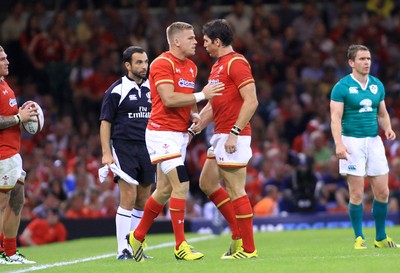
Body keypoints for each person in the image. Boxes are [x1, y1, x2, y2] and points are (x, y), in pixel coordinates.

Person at [127, 21, 224, 262]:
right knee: (182, 184)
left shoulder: (190, 66)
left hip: (180, 135)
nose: (196, 42)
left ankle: (137, 236)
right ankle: (181, 245)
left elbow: (185, 96)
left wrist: (194, 113)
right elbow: (169, 99)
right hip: (162, 133)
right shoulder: (162, 63)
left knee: (164, 190)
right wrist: (203, 96)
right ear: (177, 41)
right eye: (191, 38)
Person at [193, 19, 259, 259]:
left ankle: (248, 249)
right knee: (207, 183)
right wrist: (198, 122)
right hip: (220, 134)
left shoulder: (237, 63)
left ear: (218, 41)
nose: (204, 46)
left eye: (207, 42)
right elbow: (214, 104)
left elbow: (251, 101)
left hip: (234, 135)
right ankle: (237, 235)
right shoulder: (217, 66)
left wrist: (235, 132)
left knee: (235, 189)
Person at [330, 44, 398, 249]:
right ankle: (359, 237)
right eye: (361, 59)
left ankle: (380, 238)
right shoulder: (341, 87)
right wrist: (339, 143)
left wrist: (388, 128)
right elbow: (335, 117)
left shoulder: (377, 85)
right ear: (351, 63)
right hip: (352, 141)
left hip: (374, 141)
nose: (366, 62)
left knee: (383, 192)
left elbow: (383, 112)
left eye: (368, 58)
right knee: (357, 193)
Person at [99, 46, 156, 260]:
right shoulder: (116, 90)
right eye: (139, 62)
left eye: (145, 62)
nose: (144, 66)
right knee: (129, 196)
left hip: (148, 148)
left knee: (143, 199)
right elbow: (105, 122)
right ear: (128, 65)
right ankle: (122, 249)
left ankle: (135, 246)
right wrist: (106, 153)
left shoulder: (153, 88)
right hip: (124, 147)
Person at [0, 45, 37, 264]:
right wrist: (18, 119)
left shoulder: (4, 84)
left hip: (13, 152)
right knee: (2, 203)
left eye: (6, 58)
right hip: (2, 154)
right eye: (2, 59)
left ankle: (11, 252)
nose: (7, 62)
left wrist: (23, 115)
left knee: (17, 200)